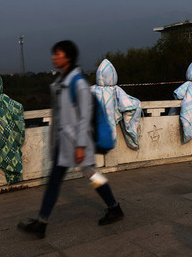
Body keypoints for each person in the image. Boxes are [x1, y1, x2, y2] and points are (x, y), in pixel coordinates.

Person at [19, 40, 124, 238]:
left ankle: (114, 207)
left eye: (58, 54)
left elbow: (84, 116)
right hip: (64, 142)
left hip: (77, 142)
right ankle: (42, 222)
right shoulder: (61, 81)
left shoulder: (78, 83)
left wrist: (80, 146)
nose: (54, 57)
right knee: (56, 181)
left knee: (92, 175)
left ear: (67, 57)